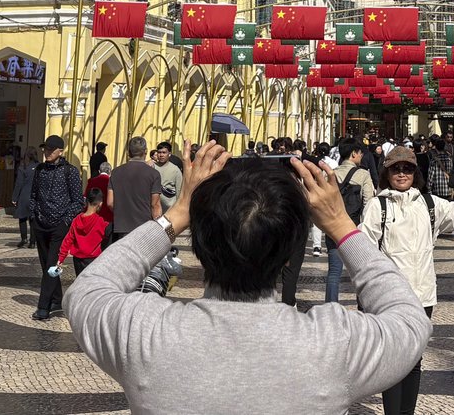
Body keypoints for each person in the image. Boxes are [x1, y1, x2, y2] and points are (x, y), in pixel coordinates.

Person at [66, 141, 432, 415]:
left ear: (201, 245)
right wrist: (341, 226)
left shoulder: (145, 333)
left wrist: (175, 216)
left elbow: (89, 289)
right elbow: (409, 318)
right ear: (290, 253)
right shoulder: (332, 344)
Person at [360, 146, 454, 415]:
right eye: (396, 168)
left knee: (414, 360)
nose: (402, 173)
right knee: (393, 362)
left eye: (407, 168)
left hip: (423, 297)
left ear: (415, 172)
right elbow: (364, 253)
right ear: (387, 172)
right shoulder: (377, 206)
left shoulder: (429, 204)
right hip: (390, 299)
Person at [29, 135, 84, 321]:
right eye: (45, 149)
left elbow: (78, 201)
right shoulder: (40, 170)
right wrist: (33, 215)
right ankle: (56, 299)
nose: (47, 153)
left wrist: (66, 221)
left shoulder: (70, 172)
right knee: (46, 264)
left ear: (61, 151)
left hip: (60, 225)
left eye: (51, 150)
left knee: (52, 264)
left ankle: (43, 306)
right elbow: (33, 195)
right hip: (40, 223)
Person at [326, 142, 376, 303]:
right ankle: (363, 304)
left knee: (334, 271)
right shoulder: (363, 175)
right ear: (354, 153)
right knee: (360, 271)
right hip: (353, 229)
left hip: (333, 227)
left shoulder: (330, 174)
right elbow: (369, 203)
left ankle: (331, 306)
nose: (362, 157)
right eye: (360, 153)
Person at [108, 136, 162, 244]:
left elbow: (110, 203)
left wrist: (122, 212)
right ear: (145, 151)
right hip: (145, 226)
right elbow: (155, 204)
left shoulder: (115, 172)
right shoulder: (153, 174)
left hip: (122, 226)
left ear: (128, 152)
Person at [55, 188, 111, 276]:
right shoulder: (100, 222)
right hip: (93, 259)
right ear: (100, 204)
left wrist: (61, 258)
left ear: (86, 201)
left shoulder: (76, 220)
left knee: (79, 282)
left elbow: (68, 240)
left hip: (77, 259)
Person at [11, 147, 36, 248]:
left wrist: (14, 198)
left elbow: (19, 184)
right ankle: (33, 241)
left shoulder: (23, 168)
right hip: (35, 196)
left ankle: (24, 238)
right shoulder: (39, 167)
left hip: (24, 195)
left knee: (22, 218)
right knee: (33, 220)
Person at [152, 141, 184, 210]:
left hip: (169, 210)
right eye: (159, 152)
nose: (161, 155)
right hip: (153, 208)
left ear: (169, 154)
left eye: (164, 152)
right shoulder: (152, 167)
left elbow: (179, 191)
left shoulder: (175, 170)